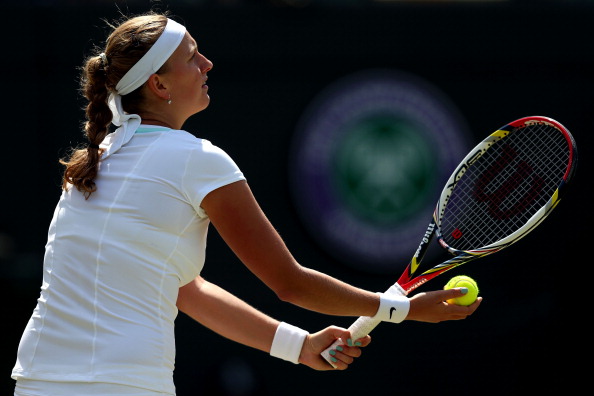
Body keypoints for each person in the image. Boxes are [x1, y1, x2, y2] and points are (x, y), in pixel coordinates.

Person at [11, 11, 481, 396]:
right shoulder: (197, 160)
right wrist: (400, 309)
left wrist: (299, 346)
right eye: (193, 57)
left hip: (38, 379)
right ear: (158, 85)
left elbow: (186, 290)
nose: (208, 64)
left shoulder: (90, 165)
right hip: (121, 385)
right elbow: (289, 283)